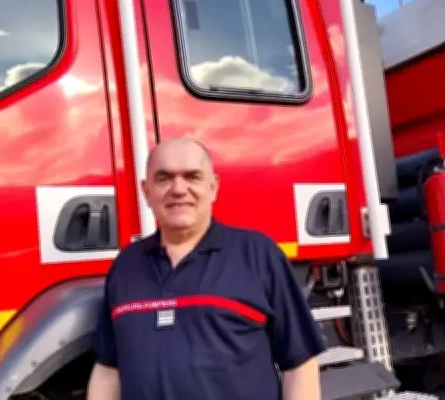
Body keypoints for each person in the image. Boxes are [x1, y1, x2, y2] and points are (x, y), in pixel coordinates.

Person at [86, 137, 325, 400]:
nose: (178, 189)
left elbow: (300, 364)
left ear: (213, 187)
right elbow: (108, 370)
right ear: (147, 191)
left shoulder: (258, 255)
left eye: (192, 177)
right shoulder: (126, 266)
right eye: (164, 178)